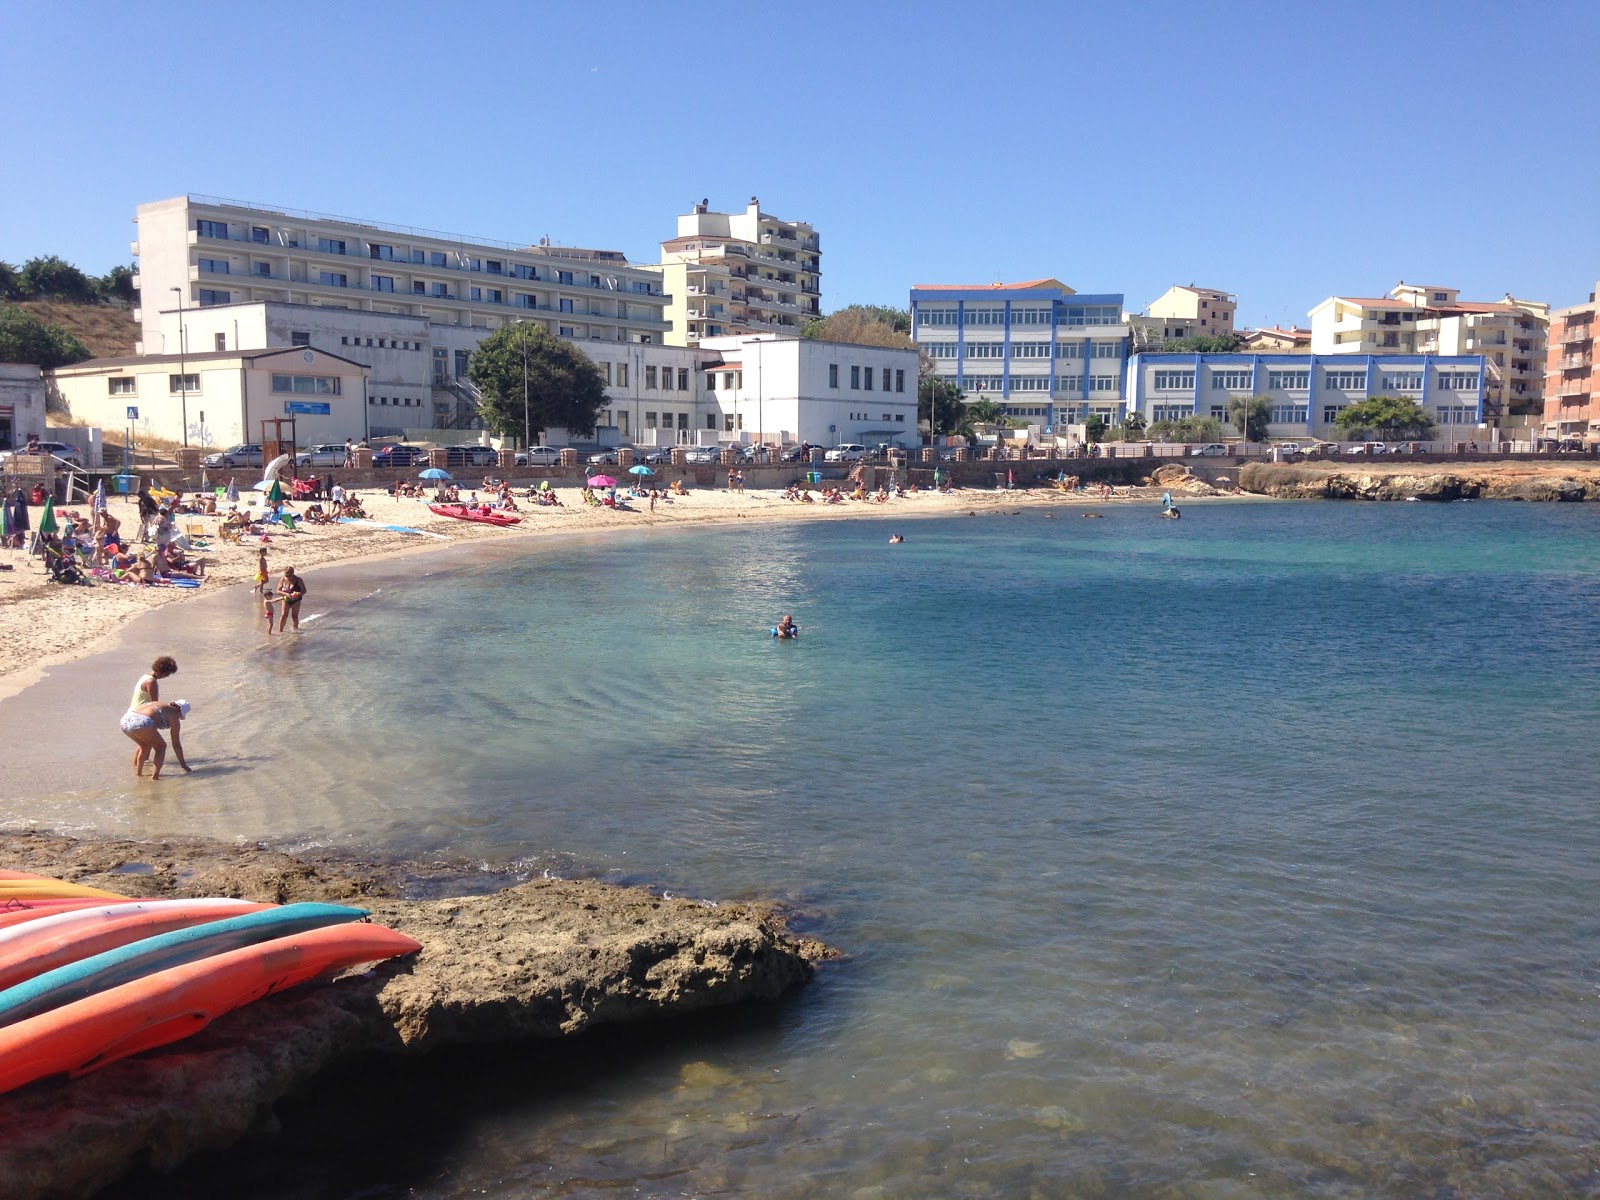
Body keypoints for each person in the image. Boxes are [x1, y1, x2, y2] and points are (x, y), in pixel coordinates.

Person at [119, 698, 191, 780]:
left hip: (125, 720)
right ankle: (155, 777)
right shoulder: (174, 714)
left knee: (144, 746)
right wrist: (183, 765)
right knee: (161, 747)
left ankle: (139, 775)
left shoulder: (158, 704)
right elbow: (176, 744)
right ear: (180, 711)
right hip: (142, 721)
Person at [277, 566, 307, 633]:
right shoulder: (283, 579)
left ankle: (296, 630)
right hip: (286, 599)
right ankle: (280, 631)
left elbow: (304, 590)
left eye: (290, 576)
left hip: (296, 600)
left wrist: (298, 594)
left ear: (293, 574)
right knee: (284, 615)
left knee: (294, 615)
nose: (288, 577)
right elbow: (278, 591)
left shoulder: (298, 580)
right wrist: (286, 594)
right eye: (286, 575)